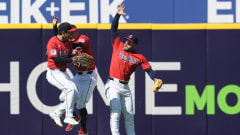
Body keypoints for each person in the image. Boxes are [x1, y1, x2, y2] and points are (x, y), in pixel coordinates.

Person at [104, 4, 163, 135]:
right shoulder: (118, 45)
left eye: (129, 42)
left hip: (125, 88)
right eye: (126, 41)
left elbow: (148, 69)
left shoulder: (139, 57)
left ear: (134, 45)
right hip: (113, 84)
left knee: (129, 116)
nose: (126, 43)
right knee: (116, 113)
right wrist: (117, 15)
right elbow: (113, 29)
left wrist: (155, 78)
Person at [52, 17, 98, 135]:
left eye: (74, 31)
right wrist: (54, 27)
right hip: (79, 75)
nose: (73, 33)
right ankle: (74, 117)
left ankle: (83, 129)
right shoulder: (68, 42)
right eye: (70, 32)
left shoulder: (83, 39)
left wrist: (68, 45)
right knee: (63, 97)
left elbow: (78, 46)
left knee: (81, 104)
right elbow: (58, 41)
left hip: (89, 77)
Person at [46, 22, 80, 127]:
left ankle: (56, 113)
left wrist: (73, 53)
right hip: (54, 73)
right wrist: (72, 58)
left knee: (76, 94)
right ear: (63, 33)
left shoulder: (68, 42)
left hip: (63, 72)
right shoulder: (52, 42)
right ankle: (68, 116)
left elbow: (67, 53)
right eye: (69, 33)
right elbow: (56, 59)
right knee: (70, 89)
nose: (71, 35)